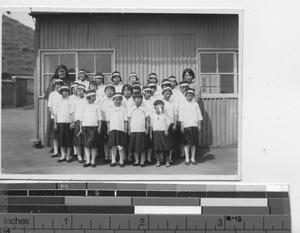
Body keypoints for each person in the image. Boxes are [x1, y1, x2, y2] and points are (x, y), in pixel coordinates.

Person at [44, 64, 73, 148]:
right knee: (54, 130)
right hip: (55, 110)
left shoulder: (69, 82)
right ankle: (54, 148)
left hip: (65, 109)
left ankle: (64, 147)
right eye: (60, 71)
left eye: (64, 72)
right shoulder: (54, 81)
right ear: (57, 72)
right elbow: (49, 96)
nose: (62, 73)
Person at [179, 88, 203, 165]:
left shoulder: (196, 104)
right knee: (187, 143)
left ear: (193, 96)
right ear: (185, 96)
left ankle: (193, 158)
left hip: (194, 125)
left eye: (191, 96)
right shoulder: (183, 104)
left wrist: (199, 125)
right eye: (188, 95)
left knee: (193, 143)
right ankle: (187, 158)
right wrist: (182, 126)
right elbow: (181, 116)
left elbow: (199, 115)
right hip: (186, 126)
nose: (190, 97)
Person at [80, 90, 102, 168]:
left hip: (94, 127)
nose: (93, 98)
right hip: (85, 127)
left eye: (94, 97)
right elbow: (81, 119)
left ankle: (93, 160)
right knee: (86, 145)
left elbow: (100, 118)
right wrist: (81, 128)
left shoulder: (97, 106)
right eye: (92, 97)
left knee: (93, 145)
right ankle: (88, 160)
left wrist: (99, 127)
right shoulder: (84, 106)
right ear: (88, 97)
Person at [127, 92, 150, 167]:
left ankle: (142, 161)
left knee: (142, 147)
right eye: (137, 98)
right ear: (133, 99)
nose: (139, 100)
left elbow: (147, 119)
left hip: (142, 130)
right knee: (134, 147)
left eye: (141, 98)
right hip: (133, 130)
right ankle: (136, 160)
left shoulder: (144, 108)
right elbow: (129, 120)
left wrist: (147, 129)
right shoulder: (131, 108)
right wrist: (129, 129)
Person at [107, 92, 128, 167]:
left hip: (121, 129)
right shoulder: (110, 108)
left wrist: (125, 128)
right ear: (113, 100)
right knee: (113, 146)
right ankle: (113, 160)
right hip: (113, 129)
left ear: (121, 100)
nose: (117, 101)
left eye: (119, 100)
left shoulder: (123, 108)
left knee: (121, 146)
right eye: (116, 100)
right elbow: (108, 120)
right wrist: (108, 129)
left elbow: (125, 120)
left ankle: (121, 161)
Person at [54, 85, 74, 163]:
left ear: (68, 92)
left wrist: (71, 123)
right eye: (63, 92)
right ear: (61, 93)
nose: (64, 93)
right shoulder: (58, 102)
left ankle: (68, 156)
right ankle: (63, 155)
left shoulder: (70, 101)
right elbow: (55, 113)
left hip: (68, 122)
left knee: (68, 139)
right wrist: (55, 124)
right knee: (61, 140)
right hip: (60, 122)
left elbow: (72, 113)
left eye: (66, 91)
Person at [150, 100, 171, 167]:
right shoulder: (152, 116)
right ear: (155, 108)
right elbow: (151, 126)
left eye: (161, 107)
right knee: (157, 148)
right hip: (156, 133)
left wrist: (166, 130)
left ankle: (167, 161)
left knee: (166, 147)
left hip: (163, 132)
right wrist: (150, 134)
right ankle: (158, 161)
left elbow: (168, 124)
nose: (160, 109)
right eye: (158, 107)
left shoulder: (164, 115)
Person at [47, 79, 64, 157]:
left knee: (61, 134)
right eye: (57, 84)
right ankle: (56, 150)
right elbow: (50, 106)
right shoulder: (52, 94)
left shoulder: (64, 94)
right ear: (54, 86)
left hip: (62, 118)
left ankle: (62, 151)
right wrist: (55, 114)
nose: (58, 86)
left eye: (60, 84)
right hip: (54, 117)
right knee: (54, 135)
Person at [161, 87, 178, 163]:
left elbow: (175, 115)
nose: (168, 95)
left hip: (170, 124)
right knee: (162, 141)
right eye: (166, 93)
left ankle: (169, 157)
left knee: (170, 142)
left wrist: (175, 124)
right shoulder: (160, 103)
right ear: (163, 94)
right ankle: (161, 158)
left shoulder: (173, 104)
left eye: (169, 93)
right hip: (162, 124)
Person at [72, 84, 87, 163]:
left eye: (81, 90)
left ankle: (85, 155)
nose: (80, 92)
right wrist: (72, 122)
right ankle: (79, 155)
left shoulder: (86, 100)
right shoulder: (74, 100)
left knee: (85, 139)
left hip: (85, 121)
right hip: (77, 121)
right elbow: (72, 112)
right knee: (78, 139)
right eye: (78, 90)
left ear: (84, 91)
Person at [100, 83, 115, 162]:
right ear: (105, 91)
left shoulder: (115, 100)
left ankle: (112, 157)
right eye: (108, 90)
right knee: (105, 140)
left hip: (113, 122)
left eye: (111, 90)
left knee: (112, 140)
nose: (110, 92)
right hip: (104, 122)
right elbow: (100, 111)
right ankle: (106, 156)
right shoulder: (102, 100)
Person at [142, 86, 154, 163]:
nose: (148, 94)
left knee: (150, 141)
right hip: (143, 122)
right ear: (144, 92)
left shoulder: (153, 101)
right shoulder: (141, 101)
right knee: (143, 141)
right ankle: (143, 158)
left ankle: (149, 158)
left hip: (151, 122)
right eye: (147, 92)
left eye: (150, 92)